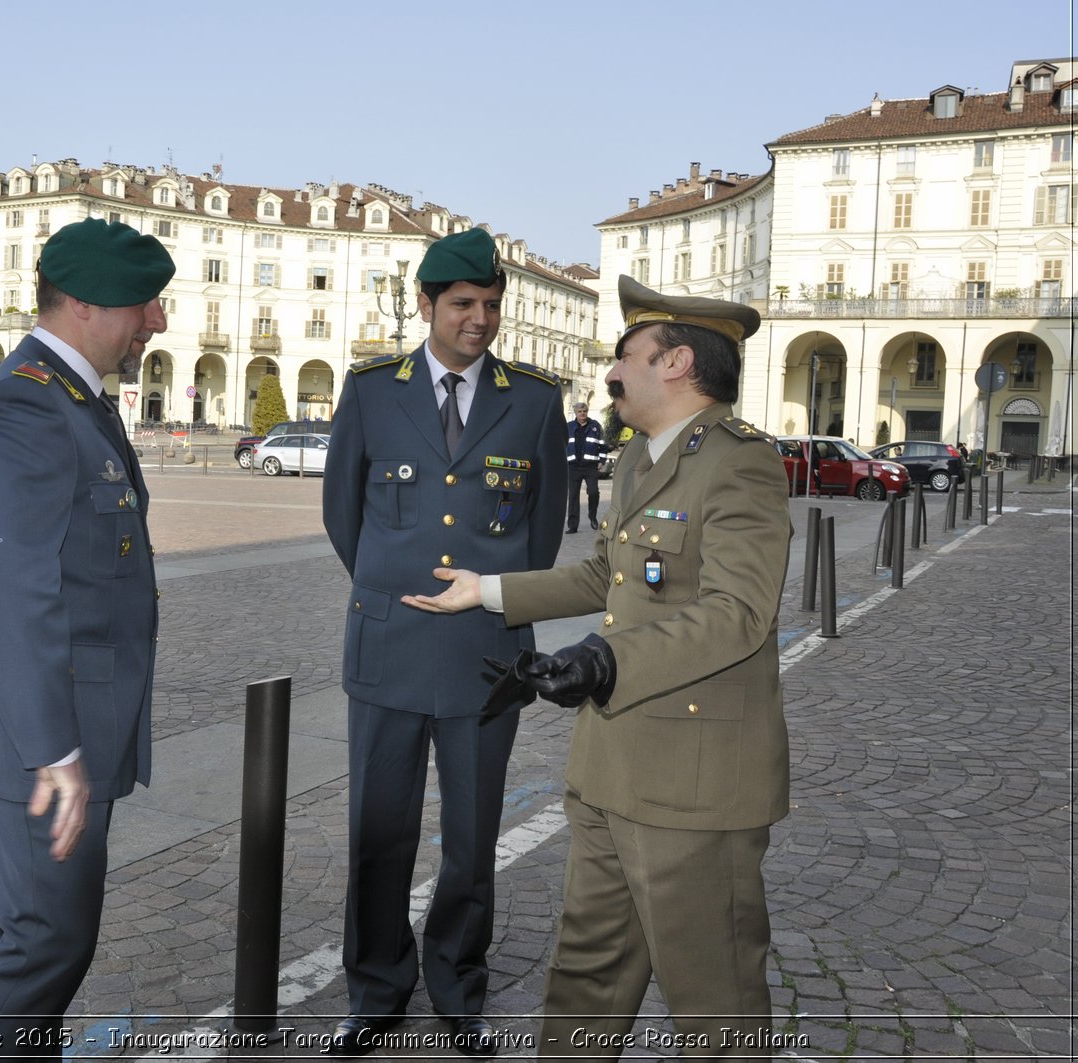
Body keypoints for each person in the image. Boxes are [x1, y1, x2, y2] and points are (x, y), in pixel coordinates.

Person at [404, 275, 792, 1059]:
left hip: (694, 784)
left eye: (625, 356)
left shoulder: (738, 464)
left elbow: (737, 614)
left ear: (676, 362)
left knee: (714, 994)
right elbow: (603, 576)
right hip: (613, 767)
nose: (610, 373)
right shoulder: (641, 461)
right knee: (587, 972)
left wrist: (604, 659)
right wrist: (490, 590)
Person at [322, 228, 567, 1058]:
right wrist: (394, 589)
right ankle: (376, 987)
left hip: (485, 653)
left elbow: (543, 533)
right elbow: (342, 518)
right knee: (379, 829)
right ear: (424, 305)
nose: (480, 319)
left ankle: (460, 986)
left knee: (471, 836)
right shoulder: (369, 392)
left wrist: (493, 603)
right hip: (389, 645)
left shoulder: (533, 399)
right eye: (463, 304)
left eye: (492, 305)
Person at [0, 218, 174, 1058]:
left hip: (66, 724)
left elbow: (54, 575)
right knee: (47, 940)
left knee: (29, 934)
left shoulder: (70, 400)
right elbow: (13, 587)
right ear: (80, 303)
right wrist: (54, 753)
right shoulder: (23, 407)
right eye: (144, 303)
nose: (157, 321)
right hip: (45, 741)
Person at [565, 402, 608, 532]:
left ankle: (592, 516)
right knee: (573, 496)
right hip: (573, 467)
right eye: (579, 411)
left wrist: (602, 460)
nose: (582, 413)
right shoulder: (569, 427)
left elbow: (603, 445)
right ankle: (573, 525)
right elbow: (561, 444)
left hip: (591, 467)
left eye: (584, 411)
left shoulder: (595, 426)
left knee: (594, 492)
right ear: (575, 413)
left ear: (587, 412)